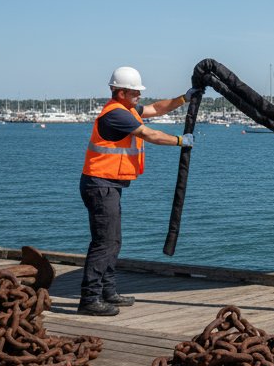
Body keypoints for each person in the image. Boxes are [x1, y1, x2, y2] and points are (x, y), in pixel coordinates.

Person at [78, 66, 201, 316]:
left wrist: (183, 98)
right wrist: (180, 140)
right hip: (100, 185)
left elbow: (157, 109)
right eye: (135, 92)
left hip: (108, 185)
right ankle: (90, 298)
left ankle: (108, 291)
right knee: (106, 243)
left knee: (113, 241)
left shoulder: (127, 109)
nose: (139, 96)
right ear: (120, 91)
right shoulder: (116, 115)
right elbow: (149, 133)